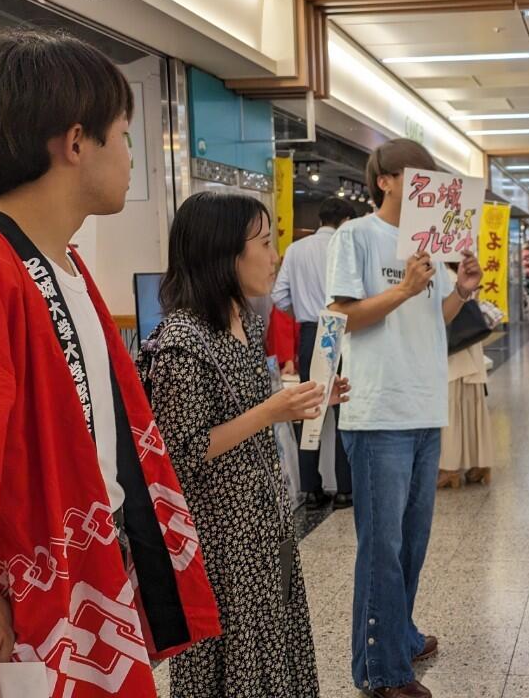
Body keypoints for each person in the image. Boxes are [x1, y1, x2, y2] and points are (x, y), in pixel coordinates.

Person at [0, 29, 221, 698]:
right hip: (6, 613)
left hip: (68, 578)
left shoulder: (53, 260)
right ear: (75, 142)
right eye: (123, 135)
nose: (128, 156)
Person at [142, 192, 348, 697]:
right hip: (219, 541)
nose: (275, 255)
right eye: (263, 243)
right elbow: (185, 449)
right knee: (229, 662)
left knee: (270, 650)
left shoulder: (245, 322)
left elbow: (244, 407)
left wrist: (299, 399)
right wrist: (273, 411)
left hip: (263, 523)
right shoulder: (180, 343)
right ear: (223, 254)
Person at [326, 138, 484, 698]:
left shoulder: (431, 243)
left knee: (413, 540)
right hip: (378, 412)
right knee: (382, 546)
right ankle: (380, 669)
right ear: (386, 180)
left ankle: (399, 634)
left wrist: (459, 293)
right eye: (416, 176)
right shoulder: (357, 236)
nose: (426, 187)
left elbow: (431, 319)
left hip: (424, 407)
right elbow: (344, 317)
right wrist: (401, 288)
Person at [273, 196, 359, 511]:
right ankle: (345, 489)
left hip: (311, 333)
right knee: (343, 410)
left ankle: (310, 489)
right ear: (346, 219)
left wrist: (303, 313)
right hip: (344, 329)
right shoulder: (347, 246)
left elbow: (278, 295)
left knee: (311, 407)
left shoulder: (295, 250)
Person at [437, 264, 494, 490]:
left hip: (453, 353)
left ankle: (449, 468)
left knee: (452, 412)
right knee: (473, 410)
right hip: (470, 348)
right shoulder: (465, 273)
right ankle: (480, 464)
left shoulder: (445, 275)